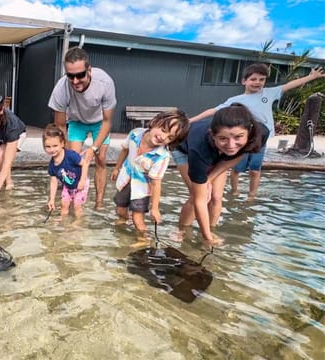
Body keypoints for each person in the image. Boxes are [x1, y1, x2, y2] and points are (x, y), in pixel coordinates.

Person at [189, 64, 325, 201]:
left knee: (255, 169)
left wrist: (311, 77)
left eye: (262, 79)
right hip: (242, 140)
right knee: (236, 169)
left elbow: (290, 85)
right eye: (253, 79)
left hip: (261, 139)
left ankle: (251, 195)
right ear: (244, 81)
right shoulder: (236, 100)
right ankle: (234, 191)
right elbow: (213, 110)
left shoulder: (268, 93)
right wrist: (191, 121)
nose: (258, 82)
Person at [173, 103, 268, 245]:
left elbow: (241, 152)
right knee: (198, 196)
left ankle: (210, 229)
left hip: (219, 154)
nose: (231, 144)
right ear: (213, 134)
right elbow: (200, 200)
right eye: (223, 138)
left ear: (249, 131)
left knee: (216, 197)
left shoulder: (261, 132)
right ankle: (182, 230)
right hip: (184, 150)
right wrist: (208, 239)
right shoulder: (199, 149)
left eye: (238, 137)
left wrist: (210, 178)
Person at [48, 46, 117, 209]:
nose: (75, 81)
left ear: (89, 70)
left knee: (100, 159)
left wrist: (93, 148)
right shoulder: (61, 88)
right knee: (72, 159)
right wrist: (62, 152)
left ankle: (98, 203)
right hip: (76, 121)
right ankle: (71, 199)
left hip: (100, 122)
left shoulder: (105, 82)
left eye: (80, 75)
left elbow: (108, 121)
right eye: (70, 76)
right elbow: (60, 126)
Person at [110, 110, 189, 242]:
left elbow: (156, 182)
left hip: (142, 189)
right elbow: (125, 149)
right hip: (125, 180)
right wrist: (117, 168)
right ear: (155, 122)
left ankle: (143, 239)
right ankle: (123, 222)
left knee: (137, 218)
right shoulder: (135, 134)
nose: (164, 137)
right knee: (120, 209)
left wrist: (154, 208)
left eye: (170, 138)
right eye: (163, 130)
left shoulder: (162, 157)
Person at [43, 124, 90, 217]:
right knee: (64, 205)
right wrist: (51, 199)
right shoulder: (52, 165)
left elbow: (84, 164)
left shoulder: (71, 155)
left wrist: (82, 181)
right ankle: (63, 222)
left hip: (81, 183)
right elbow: (53, 182)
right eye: (48, 146)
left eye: (55, 145)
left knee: (77, 205)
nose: (52, 149)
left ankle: (77, 223)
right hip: (68, 186)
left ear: (62, 143)